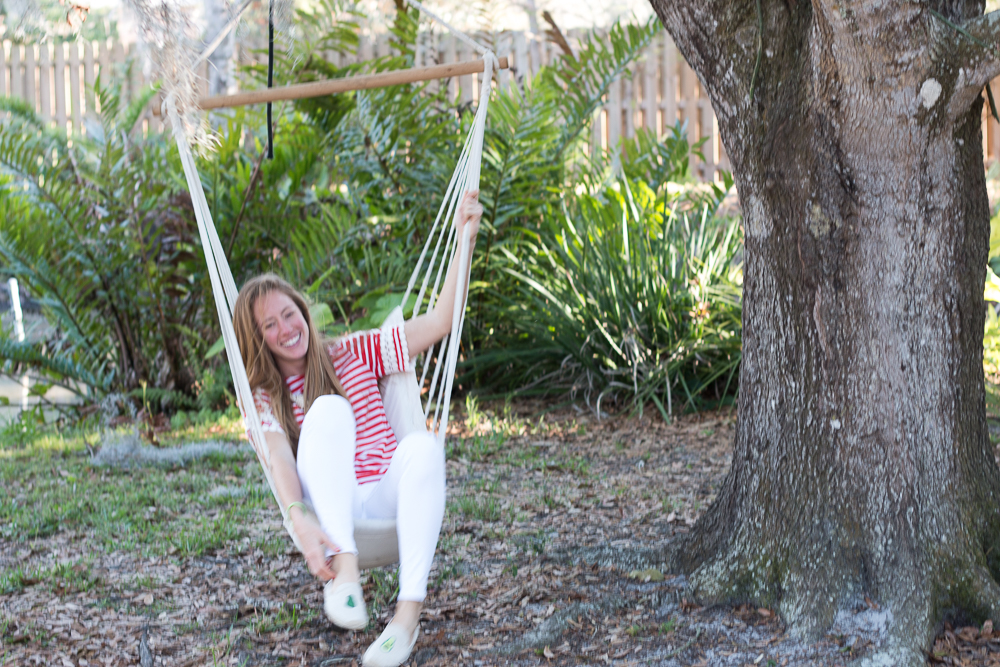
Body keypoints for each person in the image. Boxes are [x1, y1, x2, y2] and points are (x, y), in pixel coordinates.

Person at [232, 191, 482, 667]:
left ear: (303, 311)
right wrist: (297, 515)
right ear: (257, 338)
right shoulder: (266, 395)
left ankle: (406, 619)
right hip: (335, 507)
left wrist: (463, 241)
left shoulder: (355, 351)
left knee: (425, 447)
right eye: (270, 324)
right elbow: (279, 456)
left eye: (290, 313)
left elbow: (442, 320)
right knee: (327, 411)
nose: (287, 328)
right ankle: (345, 572)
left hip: (385, 493)